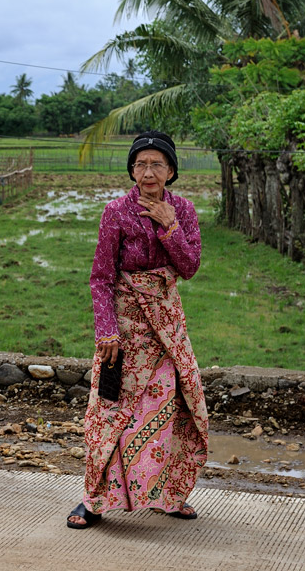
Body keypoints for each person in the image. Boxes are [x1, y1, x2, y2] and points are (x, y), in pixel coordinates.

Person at [67, 131, 208, 528]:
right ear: (131, 169)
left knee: (173, 405)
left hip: (168, 326)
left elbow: (190, 267)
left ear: (172, 171)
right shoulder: (116, 211)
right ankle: (93, 499)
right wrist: (106, 332)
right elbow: (101, 277)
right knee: (112, 411)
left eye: (157, 164)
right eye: (141, 164)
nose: (148, 171)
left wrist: (169, 227)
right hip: (126, 329)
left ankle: (171, 494)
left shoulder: (183, 210)